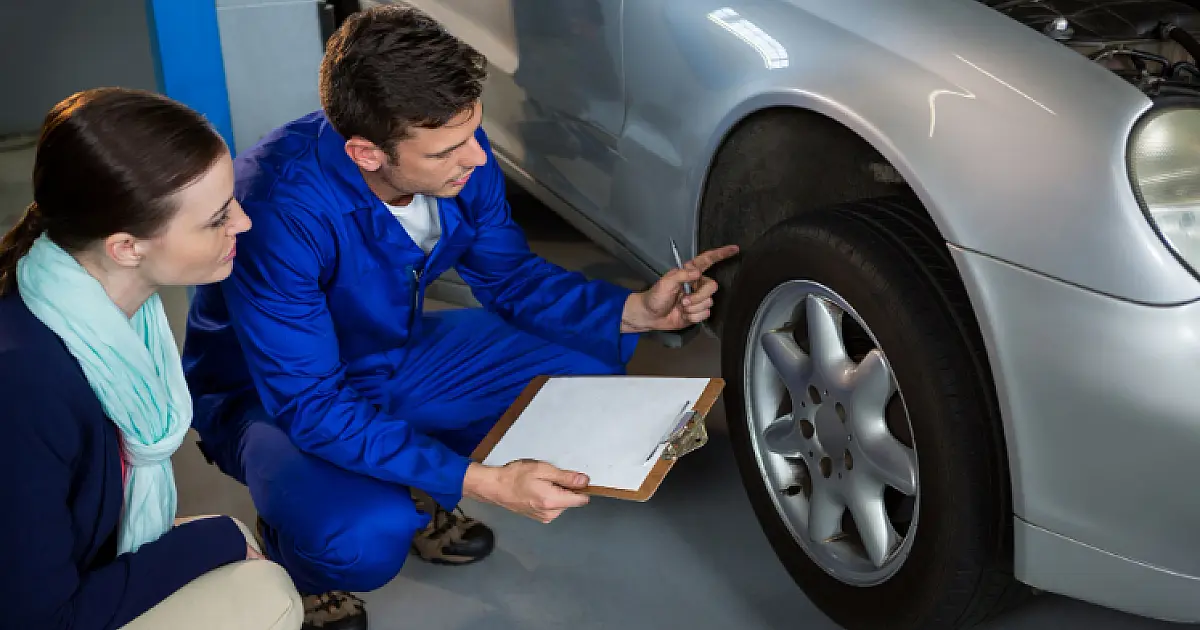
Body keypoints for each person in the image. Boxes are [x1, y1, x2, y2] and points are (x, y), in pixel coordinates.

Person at [181, 5, 739, 629]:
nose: (475, 158)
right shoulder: (278, 208)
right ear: (366, 153)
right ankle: (304, 560)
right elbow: (310, 403)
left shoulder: (456, 152)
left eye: (473, 132)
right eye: (447, 150)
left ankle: (414, 475)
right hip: (274, 396)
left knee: (584, 361)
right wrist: (483, 481)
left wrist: (636, 311)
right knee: (360, 536)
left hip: (392, 353)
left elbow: (510, 276)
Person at [0, 87, 304, 630]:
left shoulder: (108, 311)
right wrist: (215, 538)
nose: (243, 223)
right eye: (216, 219)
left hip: (71, 563)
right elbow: (41, 618)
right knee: (264, 594)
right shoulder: (25, 386)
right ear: (126, 247)